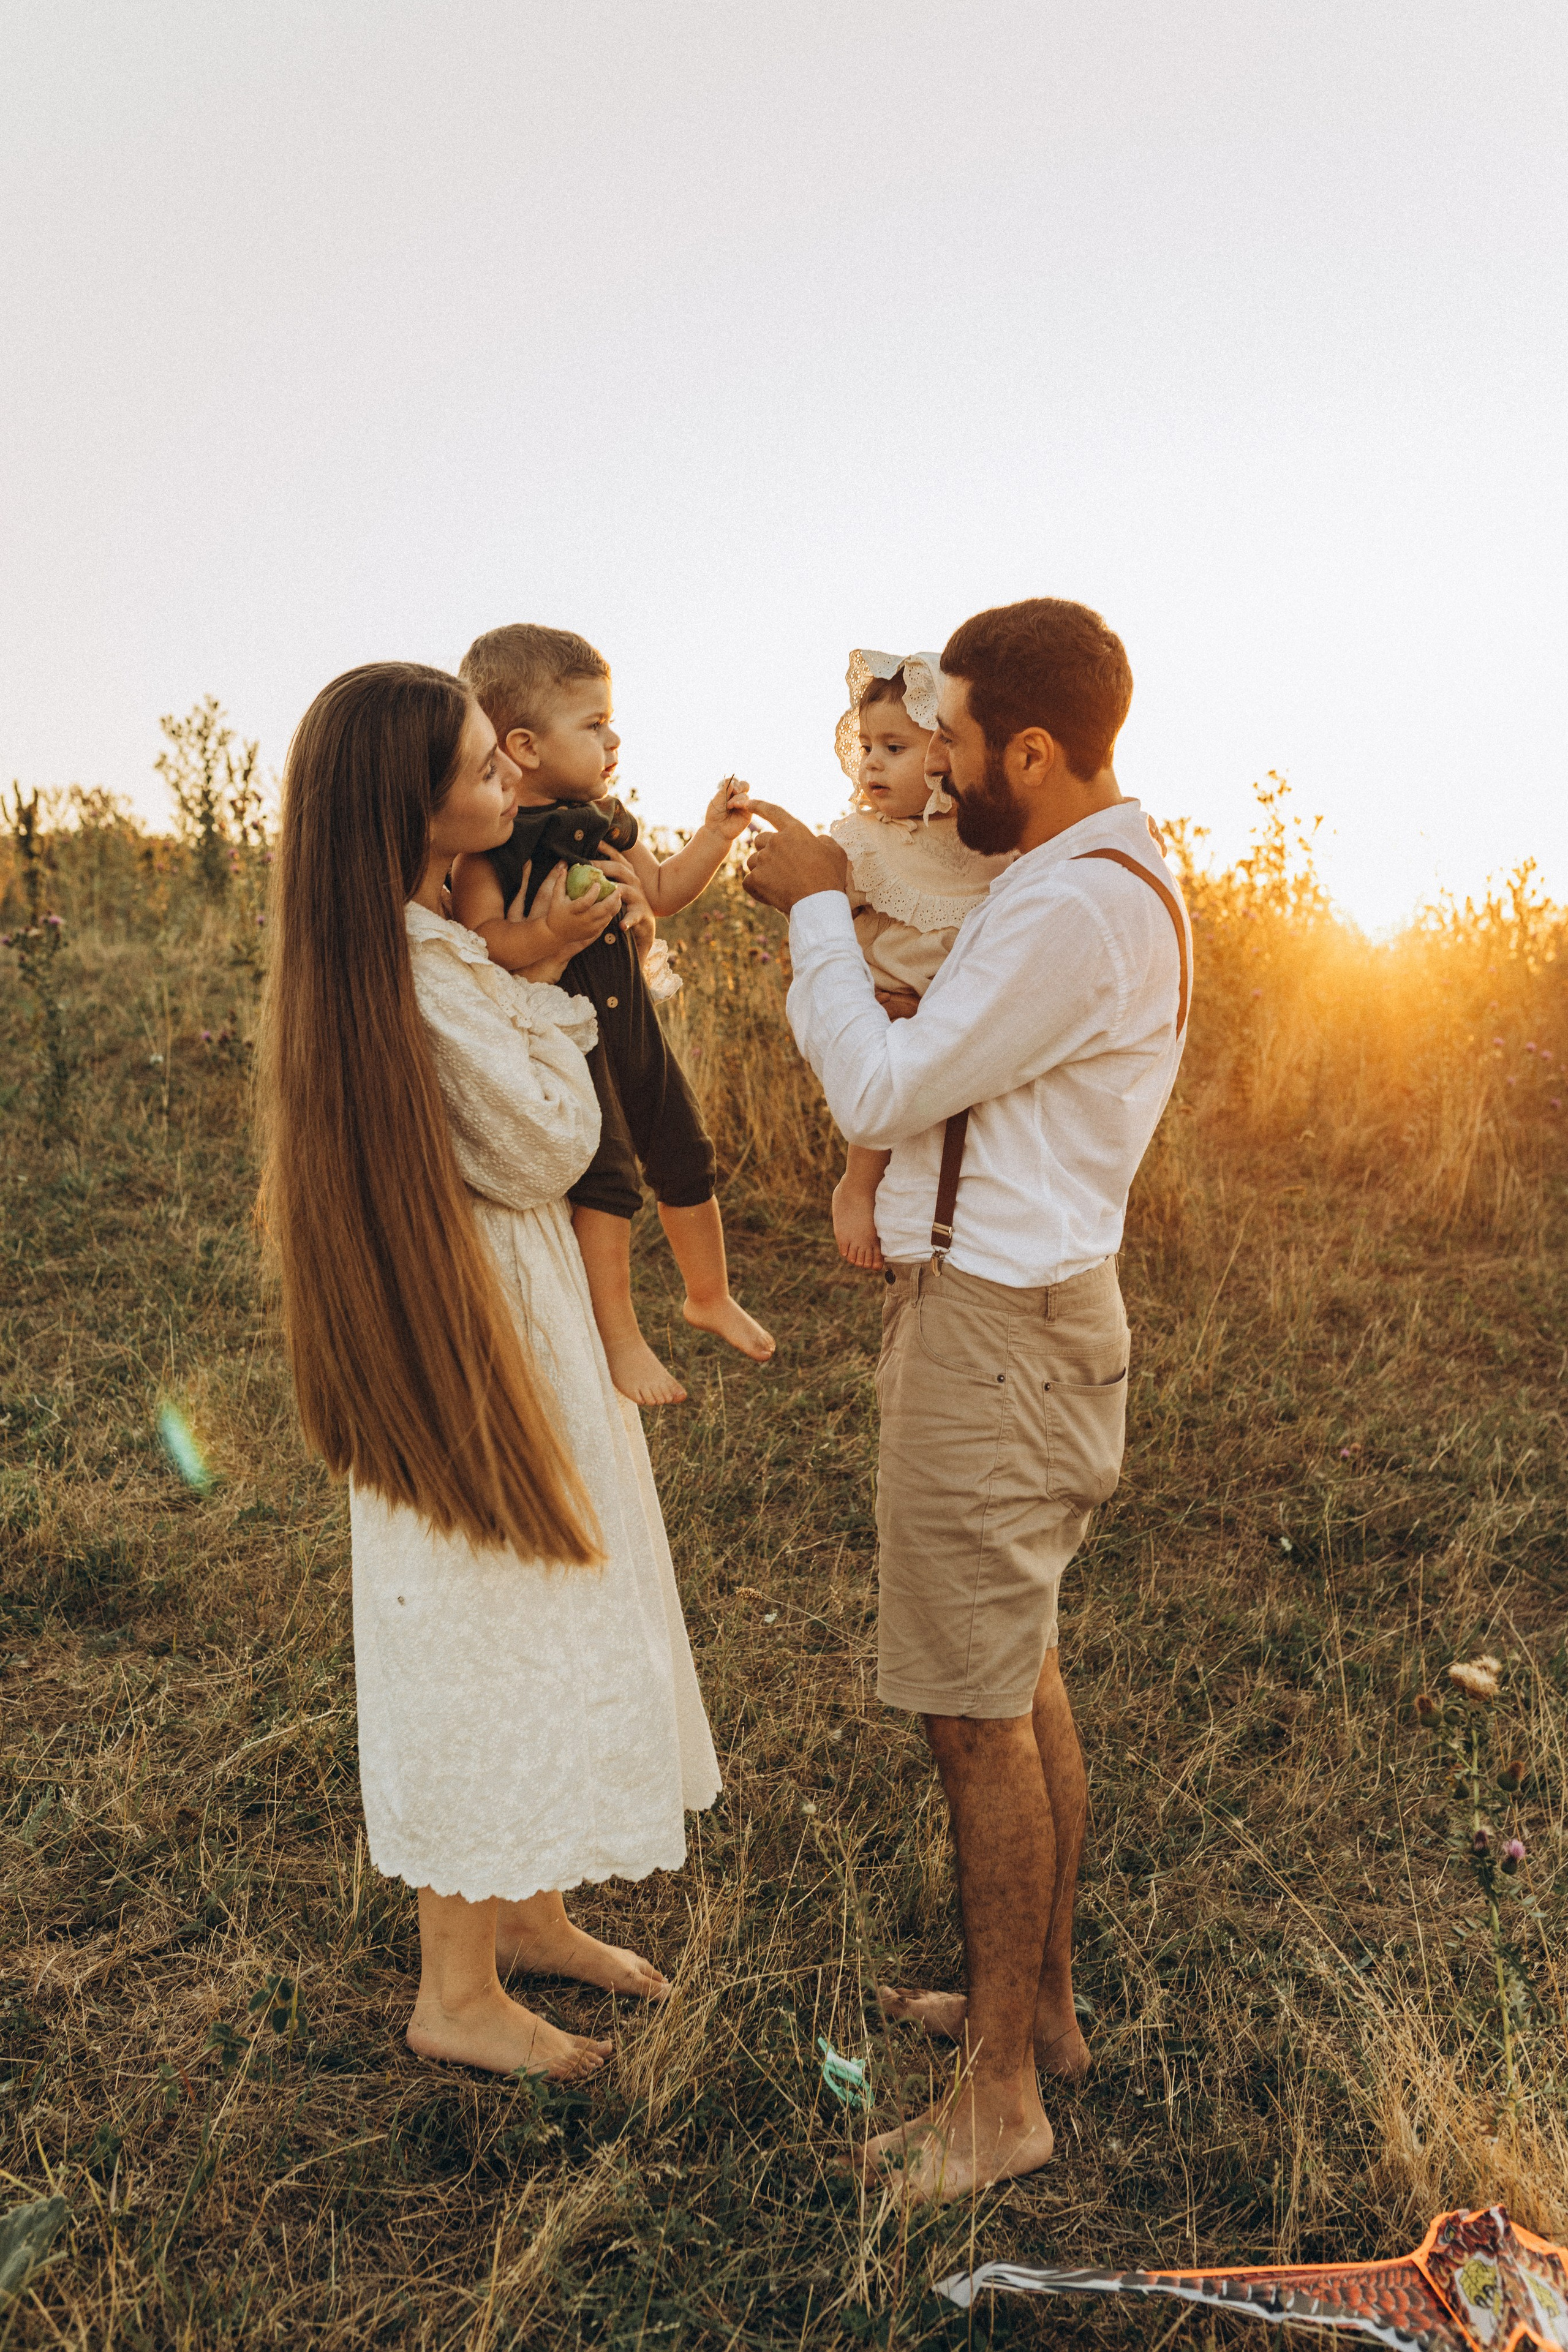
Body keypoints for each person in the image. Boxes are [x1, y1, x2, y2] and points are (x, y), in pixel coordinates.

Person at [744, 598, 1191, 2199]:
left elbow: (875, 1082)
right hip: (1034, 1315)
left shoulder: (1070, 913)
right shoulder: (1074, 878)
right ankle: (1042, 2013)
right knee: (1024, 1671)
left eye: (956, 737)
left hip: (1000, 1338)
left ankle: (999, 2101)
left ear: (1035, 750)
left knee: (975, 1712)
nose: (932, 763)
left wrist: (814, 907)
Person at [261, 661, 720, 2081]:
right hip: (469, 1335)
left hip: (508, 1313)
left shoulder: (419, 945)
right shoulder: (410, 965)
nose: (510, 780)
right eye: (481, 768)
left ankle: (524, 1911)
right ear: (415, 802)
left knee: (535, 1600)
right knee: (481, 1624)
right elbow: (539, 1143)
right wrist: (544, 992)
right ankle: (453, 1987)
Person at [450, 624, 774, 1407]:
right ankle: (618, 1336)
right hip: (569, 1041)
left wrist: (715, 838)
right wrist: (550, 934)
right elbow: (480, 944)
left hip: (634, 1028)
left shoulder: (603, 821)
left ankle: (708, 1293)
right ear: (523, 746)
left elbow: (660, 892)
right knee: (607, 1180)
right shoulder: (493, 847)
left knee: (683, 1149)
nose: (614, 736)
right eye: (593, 724)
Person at [824, 648, 1013, 1268]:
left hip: (962, 1013)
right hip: (892, 1006)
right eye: (868, 747)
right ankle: (857, 1184)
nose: (873, 761)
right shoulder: (863, 841)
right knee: (891, 1065)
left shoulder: (985, 843)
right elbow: (816, 912)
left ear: (945, 755)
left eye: (895, 748)